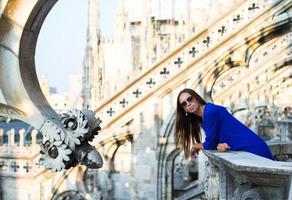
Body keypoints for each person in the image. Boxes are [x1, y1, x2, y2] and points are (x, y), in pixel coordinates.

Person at [175, 88, 273, 160]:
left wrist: (195, 146)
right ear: (184, 109)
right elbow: (216, 140)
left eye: (190, 99)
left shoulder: (209, 112)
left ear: (196, 98)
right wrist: (219, 145)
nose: (188, 103)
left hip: (254, 150)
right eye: (184, 104)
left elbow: (209, 143)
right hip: (249, 150)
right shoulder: (204, 116)